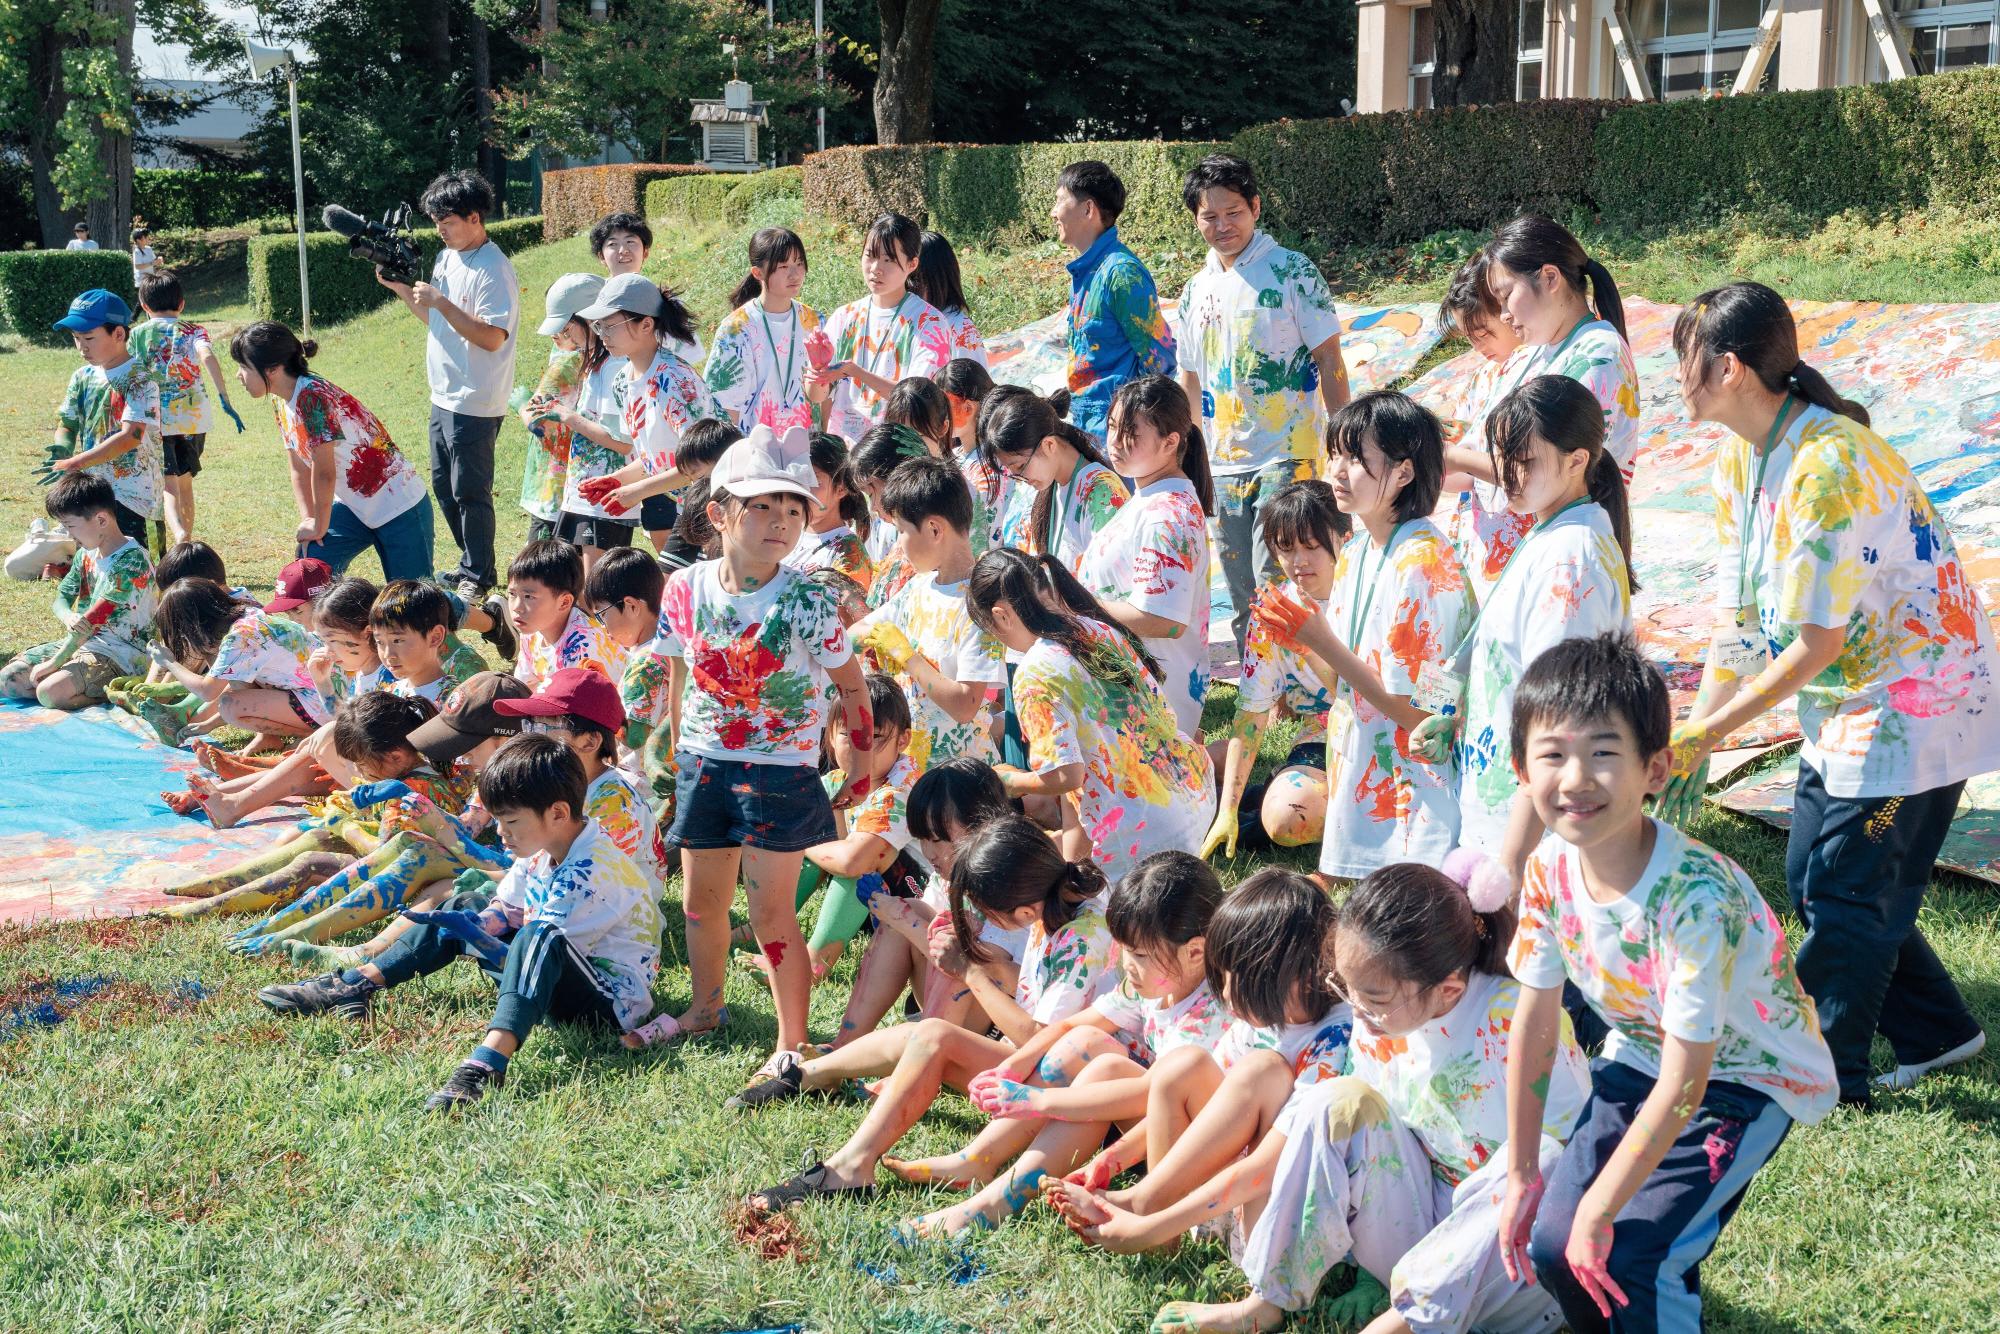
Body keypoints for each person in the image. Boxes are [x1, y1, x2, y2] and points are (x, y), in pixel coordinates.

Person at [1659, 282, 2000, 1104]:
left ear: (1729, 367)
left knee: (1848, 889)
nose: (1675, 375)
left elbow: (1817, 644)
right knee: (1815, 872)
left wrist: (1705, 738)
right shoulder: (1742, 458)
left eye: (1685, 357)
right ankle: (1941, 1034)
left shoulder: (1829, 466)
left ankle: (1823, 1072)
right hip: (1851, 707)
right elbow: (1738, 624)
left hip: (1918, 711)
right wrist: (1695, 730)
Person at [1503, 633, 1838, 1331]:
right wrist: (1521, 1172)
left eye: (1603, 753)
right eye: (1553, 755)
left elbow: (1690, 1080)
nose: (1575, 778)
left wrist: (1599, 1209)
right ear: (1519, 769)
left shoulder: (1695, 898)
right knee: (1554, 1246)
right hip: (1640, 1054)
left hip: (1747, 1078)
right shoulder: (1545, 871)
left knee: (1630, 1254)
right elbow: (1534, 1025)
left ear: (1655, 769)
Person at [1175, 860, 1590, 1334]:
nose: (1354, 1009)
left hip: (1511, 1267)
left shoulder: (1520, 1023)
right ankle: (1269, 1300)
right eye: (1344, 987)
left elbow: (1578, 1172)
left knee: (1547, 1157)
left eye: (1372, 997)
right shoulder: (1374, 1019)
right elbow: (1376, 1141)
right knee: (1334, 1101)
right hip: (1421, 1226)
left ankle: (1400, 1324)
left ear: (1448, 990)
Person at [258, 735, 662, 1113]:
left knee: (538, 935)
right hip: (553, 973)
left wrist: (474, 935)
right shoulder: (545, 846)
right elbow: (506, 909)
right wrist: (475, 921)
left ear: (557, 812)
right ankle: (357, 984)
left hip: (607, 1006)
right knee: (465, 903)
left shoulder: (592, 873)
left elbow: (537, 954)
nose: (500, 835)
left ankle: (487, 1064)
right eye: (497, 821)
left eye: (510, 823)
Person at [734, 816, 1120, 1211]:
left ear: (1022, 913)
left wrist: (970, 970)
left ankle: (850, 1166)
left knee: (934, 1036)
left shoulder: (1081, 937)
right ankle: (810, 1074)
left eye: (986, 912)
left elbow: (1039, 1039)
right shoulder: (1052, 902)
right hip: (1044, 1067)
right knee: (929, 1032)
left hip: (1083, 1094)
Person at [645, 425, 874, 1070]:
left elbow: (852, 688)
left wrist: (855, 763)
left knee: (772, 911)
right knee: (700, 903)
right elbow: (678, 671)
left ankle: (791, 1041)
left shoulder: (808, 598)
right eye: (762, 507)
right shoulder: (686, 588)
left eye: (794, 508)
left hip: (781, 773)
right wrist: (673, 745)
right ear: (718, 515)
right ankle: (705, 1008)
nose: (781, 521)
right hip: (702, 762)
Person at [895, 850, 1226, 1240]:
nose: (1126, 965)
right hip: (1157, 1129)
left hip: (1198, 1160)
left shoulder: (1213, 1011)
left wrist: (1037, 1101)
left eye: (1138, 954)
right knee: (1090, 1043)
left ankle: (989, 1204)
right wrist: (1017, 1064)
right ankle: (977, 1161)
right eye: (1125, 951)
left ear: (1195, 952)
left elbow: (1149, 1093)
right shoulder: (1160, 984)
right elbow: (1073, 1025)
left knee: (1107, 1071)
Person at [1046, 868, 1353, 1264]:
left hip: (1280, 1220)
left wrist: (1151, 1211)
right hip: (1225, 1194)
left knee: (1262, 1071)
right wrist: (1115, 1158)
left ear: (1285, 973)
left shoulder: (1334, 1039)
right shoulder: (1258, 1022)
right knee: (1183, 1065)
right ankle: (1155, 1213)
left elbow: (1270, 1163)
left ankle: (1147, 1209)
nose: (1223, 993)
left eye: (1233, 978)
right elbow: (1212, 1115)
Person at [1250, 393, 1477, 881]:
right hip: (1368, 769)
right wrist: (1303, 642)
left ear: (1404, 472)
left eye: (1356, 459)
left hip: (1416, 789)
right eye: (1335, 455)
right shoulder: (1357, 552)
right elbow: (1349, 690)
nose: (1336, 471)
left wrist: (1318, 639)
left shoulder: (1424, 565)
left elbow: (1420, 714)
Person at [1410, 375, 1635, 861]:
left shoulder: (1569, 561)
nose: (1508, 474)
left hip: (1538, 828)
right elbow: (1487, 643)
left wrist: (1513, 861)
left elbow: (1556, 715)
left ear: (1577, 461)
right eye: (1502, 457)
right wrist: (1444, 708)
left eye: (1525, 460)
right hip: (1510, 802)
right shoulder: (1548, 533)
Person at [1175, 153, 1350, 650]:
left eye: (1234, 212)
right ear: (1195, 220)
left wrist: (1343, 438)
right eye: (1210, 216)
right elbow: (1189, 375)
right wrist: (1190, 455)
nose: (1223, 225)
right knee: (1240, 588)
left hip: (1288, 454)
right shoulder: (1194, 290)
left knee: (1279, 579)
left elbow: (1329, 356)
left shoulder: (1293, 271)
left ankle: (1298, 687)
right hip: (1222, 461)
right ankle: (1261, 688)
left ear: (1255, 207)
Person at [969, 546, 1215, 881]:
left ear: (1001, 616)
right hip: (1190, 800)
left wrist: (1010, 780)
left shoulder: (1033, 673)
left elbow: (1066, 776)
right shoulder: (1094, 628)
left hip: (1141, 840)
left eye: (990, 630)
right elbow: (1085, 770)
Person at [378, 170, 520, 599]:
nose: (439, 228)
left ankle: (479, 577)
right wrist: (403, 291)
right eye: (436, 220)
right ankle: (469, 566)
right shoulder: (446, 258)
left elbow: (492, 337)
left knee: (470, 491)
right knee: (444, 485)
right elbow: (437, 322)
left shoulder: (494, 268)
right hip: (443, 394)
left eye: (448, 220)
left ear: (474, 217)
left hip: (476, 397)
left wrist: (441, 300)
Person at [1201, 480, 1347, 859]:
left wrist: (1311, 646)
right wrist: (1227, 810)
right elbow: (1251, 714)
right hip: (1322, 738)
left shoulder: (1370, 589)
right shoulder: (1272, 614)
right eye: (1285, 549)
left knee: (1292, 812)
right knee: (1288, 818)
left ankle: (1266, 797)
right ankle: (1255, 801)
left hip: (1383, 735)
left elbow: (1367, 697)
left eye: (1311, 546)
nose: (1298, 561)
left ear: (1344, 535)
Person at [228, 321, 436, 583]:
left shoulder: (311, 397)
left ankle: (489, 617)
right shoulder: (281, 401)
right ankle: (336, 623)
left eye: (244, 367)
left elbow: (325, 472)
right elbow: (299, 468)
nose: (238, 375)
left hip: (398, 506)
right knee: (311, 570)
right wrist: (310, 521)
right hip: (354, 507)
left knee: (413, 602)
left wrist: (319, 525)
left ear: (272, 369)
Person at [853, 456, 1008, 771]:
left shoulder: (981, 603)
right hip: (914, 772)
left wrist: (908, 657)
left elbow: (966, 705)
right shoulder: (918, 587)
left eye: (901, 532)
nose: (899, 544)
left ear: (935, 529)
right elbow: (859, 632)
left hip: (963, 778)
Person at [1080, 375, 1214, 734]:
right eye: (1111, 427)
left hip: (1152, 702)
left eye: (1131, 433)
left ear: (1170, 442)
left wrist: (1074, 604)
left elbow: (1163, 619)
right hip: (1135, 692)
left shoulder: (1168, 512)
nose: (1114, 442)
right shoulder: (1151, 499)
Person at [1485, 215, 1640, 482]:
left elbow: (1546, 472)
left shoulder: (1598, 355)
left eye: (1507, 296)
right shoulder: (1534, 349)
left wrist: (1456, 459)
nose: (1503, 315)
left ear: (1550, 278)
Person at [575, 274, 723, 551]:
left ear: (645, 324)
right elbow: (657, 457)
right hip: (688, 506)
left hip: (719, 504)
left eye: (610, 325)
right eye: (598, 326)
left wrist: (637, 491)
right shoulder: (622, 381)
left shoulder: (675, 381)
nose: (602, 335)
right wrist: (618, 479)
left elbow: (703, 463)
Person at [0, 473, 156, 710]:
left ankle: (118, 693)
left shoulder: (131, 562)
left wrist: (55, 663)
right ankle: (76, 684)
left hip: (123, 655)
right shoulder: (86, 553)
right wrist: (68, 616)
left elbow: (92, 622)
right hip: (83, 643)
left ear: (101, 520)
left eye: (70, 526)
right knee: (8, 681)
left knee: (48, 693)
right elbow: (62, 598)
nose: (68, 534)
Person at [1435, 250, 1535, 600]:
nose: (1478, 347)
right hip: (1481, 540)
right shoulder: (1481, 381)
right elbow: (1462, 476)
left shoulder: (1538, 375)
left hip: (1525, 537)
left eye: (1483, 333)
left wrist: (1459, 458)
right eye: (1469, 338)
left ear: (1508, 312)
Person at [1053, 159, 1176, 443]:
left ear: (1088, 209)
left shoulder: (1121, 274)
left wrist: (1133, 425)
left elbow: (1161, 360)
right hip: (1087, 425)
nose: (1053, 212)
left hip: (1117, 433)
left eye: (1060, 201)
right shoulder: (1087, 272)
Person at [809, 212, 950, 442]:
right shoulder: (844, 316)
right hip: (845, 456)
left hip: (896, 453)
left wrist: (854, 371)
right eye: (870, 256)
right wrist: (818, 371)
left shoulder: (929, 323)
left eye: (889, 260)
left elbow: (917, 399)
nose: (876, 268)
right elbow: (816, 397)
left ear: (912, 264)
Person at [130, 270, 245, 545]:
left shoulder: (136, 335)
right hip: (193, 420)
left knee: (167, 484)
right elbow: (207, 355)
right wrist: (224, 398)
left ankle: (180, 535)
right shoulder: (194, 331)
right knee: (185, 482)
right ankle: (188, 538)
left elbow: (131, 375)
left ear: (144, 306)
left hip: (155, 420)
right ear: (182, 303)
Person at [49, 288, 165, 553]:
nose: (82, 346)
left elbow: (132, 436)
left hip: (135, 496)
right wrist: (63, 446)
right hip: (93, 492)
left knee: (144, 569)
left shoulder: (139, 379)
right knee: (95, 562)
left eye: (89, 337)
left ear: (119, 334)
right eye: (76, 338)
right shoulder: (82, 377)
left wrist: (78, 461)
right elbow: (67, 422)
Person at [147, 578, 328, 747]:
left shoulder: (239, 639)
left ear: (193, 625)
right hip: (329, 691)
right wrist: (208, 725)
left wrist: (169, 662)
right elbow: (237, 685)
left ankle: (314, 734)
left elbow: (207, 691)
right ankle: (268, 737)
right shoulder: (248, 615)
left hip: (323, 703)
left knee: (229, 706)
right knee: (234, 692)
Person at [978, 385, 1129, 574]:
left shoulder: (1102, 493)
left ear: (1049, 445)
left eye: (1020, 467)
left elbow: (1110, 581)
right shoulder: (1053, 485)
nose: (1020, 478)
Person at [706, 226, 822, 433]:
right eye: (783, 267)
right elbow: (725, 405)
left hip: (807, 446)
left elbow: (825, 394)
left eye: (799, 264)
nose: (795, 274)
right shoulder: (735, 328)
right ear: (757, 273)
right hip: (754, 448)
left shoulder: (813, 321)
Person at [517, 273, 604, 544]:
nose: (558, 336)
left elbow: (537, 419)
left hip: (560, 487)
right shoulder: (586, 358)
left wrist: (521, 404)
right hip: (570, 487)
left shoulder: (569, 363)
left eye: (566, 329)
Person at [504, 539, 624, 691]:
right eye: (512, 594)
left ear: (564, 602)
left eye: (529, 597)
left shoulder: (581, 648)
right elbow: (522, 688)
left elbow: (575, 710)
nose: (517, 607)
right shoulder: (531, 629)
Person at [590, 209, 702, 364]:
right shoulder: (590, 304)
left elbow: (688, 360)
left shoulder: (665, 302)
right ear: (601, 256)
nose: (623, 251)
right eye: (613, 244)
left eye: (630, 242)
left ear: (645, 252)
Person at [784, 431, 873, 618]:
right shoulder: (784, 531)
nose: (803, 490)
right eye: (798, 478)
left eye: (813, 480)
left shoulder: (849, 552)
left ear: (841, 488)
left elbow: (846, 625)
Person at [935, 358, 1010, 553]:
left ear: (967, 408)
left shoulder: (989, 468)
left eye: (942, 407)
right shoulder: (959, 454)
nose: (936, 415)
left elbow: (985, 540)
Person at [912, 230, 985, 367]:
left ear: (935, 280)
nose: (907, 289)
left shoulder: (960, 330)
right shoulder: (909, 322)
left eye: (913, 280)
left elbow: (977, 386)